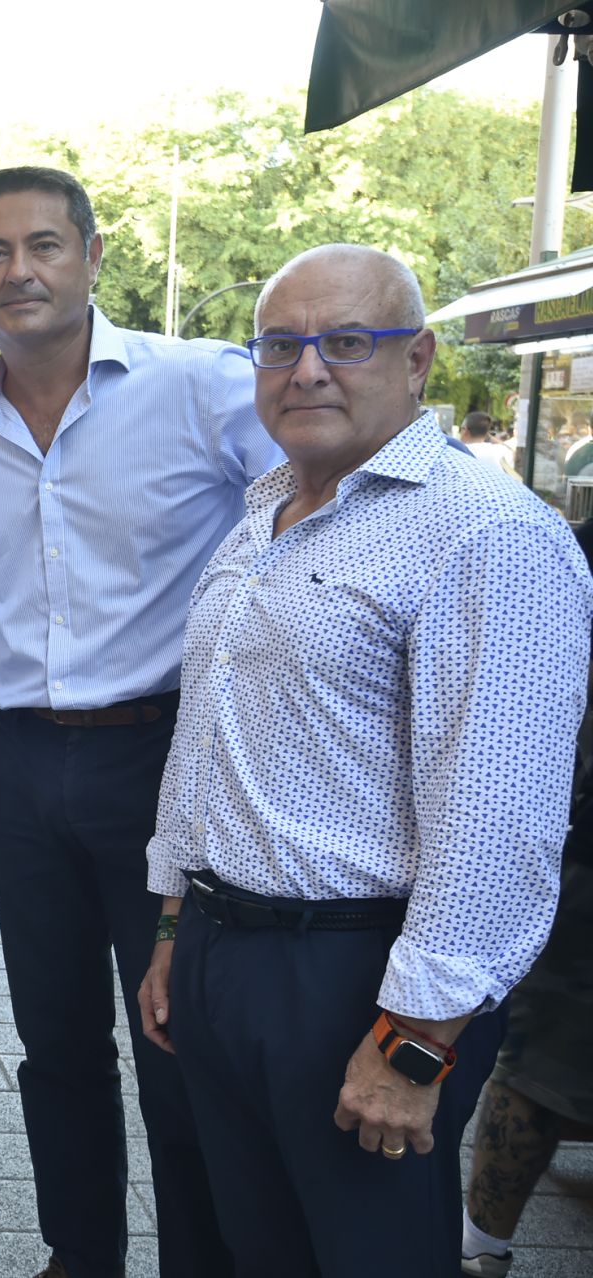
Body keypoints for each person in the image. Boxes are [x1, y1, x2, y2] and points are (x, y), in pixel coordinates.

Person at [138, 244, 592, 1276]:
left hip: (363, 977)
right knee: (255, 1252)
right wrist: (174, 927)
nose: (308, 370)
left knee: (364, 1256)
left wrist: (414, 1046)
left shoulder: (486, 535)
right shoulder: (265, 517)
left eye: (347, 342)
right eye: (282, 344)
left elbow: (500, 827)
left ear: (420, 359)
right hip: (225, 952)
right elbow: (204, 736)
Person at [0, 165, 280, 1278]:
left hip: (168, 759)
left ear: (92, 256)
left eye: (43, 245)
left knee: (178, 1046)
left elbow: (316, 507)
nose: (18, 269)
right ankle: (81, 1257)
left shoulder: (203, 386)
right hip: (19, 767)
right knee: (56, 1044)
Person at [458, 512, 593, 1278]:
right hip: (585, 864)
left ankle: (482, 1246)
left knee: (542, 1062)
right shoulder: (552, 545)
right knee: (541, 1064)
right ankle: (481, 1247)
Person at [461, 411, 518, 478]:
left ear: (465, 430)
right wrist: (489, 436)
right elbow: (513, 453)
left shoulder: (459, 452)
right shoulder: (499, 451)